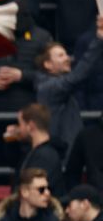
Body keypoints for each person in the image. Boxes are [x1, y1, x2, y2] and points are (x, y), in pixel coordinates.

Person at [35, 18, 103, 153]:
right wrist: (99, 40)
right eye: (60, 56)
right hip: (60, 151)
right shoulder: (49, 87)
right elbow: (79, 74)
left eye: (66, 54)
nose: (67, 58)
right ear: (47, 64)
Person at [4, 103, 65, 197]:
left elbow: (34, 191)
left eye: (20, 124)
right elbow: (13, 162)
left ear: (30, 126)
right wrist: (11, 140)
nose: (18, 129)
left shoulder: (45, 156)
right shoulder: (33, 151)